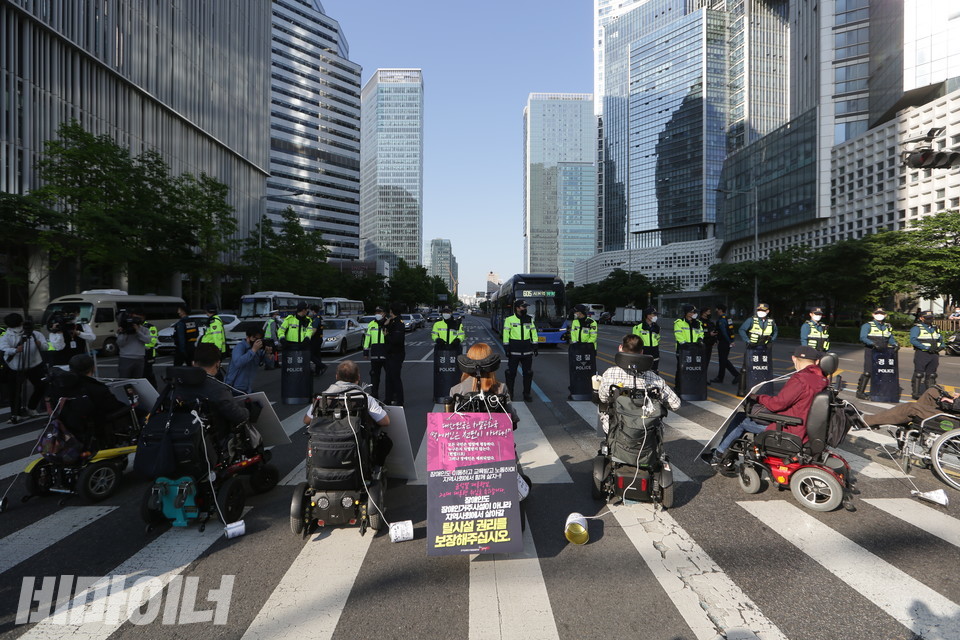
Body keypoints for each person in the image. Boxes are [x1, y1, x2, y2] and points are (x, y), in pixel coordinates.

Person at [702, 345, 828, 466]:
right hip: (806, 425)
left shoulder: (800, 379)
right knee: (744, 415)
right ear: (816, 362)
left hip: (791, 428)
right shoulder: (821, 379)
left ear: (794, 359)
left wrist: (758, 397)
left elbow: (777, 405)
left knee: (741, 420)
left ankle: (718, 456)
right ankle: (724, 453)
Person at [597, 334, 681, 433]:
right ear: (641, 352)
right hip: (648, 430)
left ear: (620, 348)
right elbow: (676, 404)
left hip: (616, 428)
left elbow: (603, 398)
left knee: (602, 407)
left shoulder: (610, 373)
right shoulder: (654, 379)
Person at [302, 359, 390, 427]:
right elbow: (385, 421)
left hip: (326, 444)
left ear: (337, 376)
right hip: (353, 445)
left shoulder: (323, 396)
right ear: (358, 377)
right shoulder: (364, 397)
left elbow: (307, 420)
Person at [449, 342, 519, 423]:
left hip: (466, 432)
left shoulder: (455, 390)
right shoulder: (501, 388)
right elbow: (512, 417)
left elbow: (449, 419)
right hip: (493, 433)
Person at [0, 313, 47, 424]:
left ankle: (31, 407)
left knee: (42, 386)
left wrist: (39, 343)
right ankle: (16, 414)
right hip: (15, 367)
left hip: (34, 365)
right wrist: (15, 350)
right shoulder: (6, 336)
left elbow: (45, 347)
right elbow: (3, 347)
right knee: (15, 391)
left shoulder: (35, 334)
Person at [190, 343, 250, 428]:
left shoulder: (178, 384)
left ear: (194, 363)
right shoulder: (217, 388)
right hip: (210, 434)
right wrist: (247, 410)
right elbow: (238, 416)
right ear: (218, 364)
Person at [858, 384, 958, 429]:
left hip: (954, 419)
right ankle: (912, 425)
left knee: (911, 407)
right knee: (932, 391)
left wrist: (954, 403)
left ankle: (868, 421)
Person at [856, 307, 898, 400]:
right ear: (873, 315)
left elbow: (890, 337)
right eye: (877, 313)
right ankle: (860, 392)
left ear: (885, 315)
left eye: (882, 313)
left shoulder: (887, 326)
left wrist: (895, 344)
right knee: (868, 372)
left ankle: (879, 391)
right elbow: (863, 337)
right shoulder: (867, 325)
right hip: (871, 350)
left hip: (884, 351)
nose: (880, 315)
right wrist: (873, 344)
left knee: (881, 372)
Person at [502, 299, 538, 402]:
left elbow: (533, 332)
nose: (525, 308)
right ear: (517, 308)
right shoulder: (509, 320)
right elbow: (506, 334)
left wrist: (535, 345)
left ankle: (527, 394)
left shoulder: (529, 319)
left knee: (528, 373)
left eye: (526, 307)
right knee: (511, 374)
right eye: (523, 307)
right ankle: (510, 394)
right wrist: (506, 347)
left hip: (527, 351)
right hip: (514, 351)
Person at [909, 310, 943, 400]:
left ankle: (930, 393)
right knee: (919, 374)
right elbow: (913, 340)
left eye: (931, 318)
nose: (930, 320)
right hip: (922, 353)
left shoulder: (935, 328)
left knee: (932, 375)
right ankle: (916, 393)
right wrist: (926, 348)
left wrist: (940, 347)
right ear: (921, 318)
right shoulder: (917, 328)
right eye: (927, 318)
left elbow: (940, 340)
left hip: (934, 354)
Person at [673, 304, 704, 394]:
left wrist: (700, 339)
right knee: (681, 368)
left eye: (695, 312)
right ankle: (678, 387)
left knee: (693, 368)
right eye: (692, 312)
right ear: (687, 313)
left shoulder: (697, 323)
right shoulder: (679, 323)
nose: (694, 314)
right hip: (683, 349)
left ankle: (691, 385)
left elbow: (700, 333)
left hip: (695, 349)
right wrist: (685, 345)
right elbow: (679, 336)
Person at [224, 328, 264, 394]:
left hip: (247, 388)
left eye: (258, 339)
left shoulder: (257, 350)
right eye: (254, 338)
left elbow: (268, 364)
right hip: (234, 387)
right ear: (248, 337)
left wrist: (268, 355)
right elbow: (238, 363)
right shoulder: (240, 347)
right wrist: (253, 350)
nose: (256, 341)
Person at [116, 309, 151, 379]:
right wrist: (123, 333)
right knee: (124, 380)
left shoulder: (144, 329)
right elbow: (120, 343)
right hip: (126, 357)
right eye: (134, 318)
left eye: (138, 318)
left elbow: (148, 340)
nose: (136, 320)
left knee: (137, 381)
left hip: (139, 358)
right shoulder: (125, 329)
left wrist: (138, 331)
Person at [362, 306, 388, 399]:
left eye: (379, 312)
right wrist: (365, 352)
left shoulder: (388, 323)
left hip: (386, 353)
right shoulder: (371, 324)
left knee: (389, 376)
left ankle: (390, 396)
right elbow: (367, 338)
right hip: (375, 353)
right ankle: (374, 394)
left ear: (384, 313)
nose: (377, 314)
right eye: (376, 312)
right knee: (374, 375)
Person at [710, 304, 740, 385]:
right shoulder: (728, 318)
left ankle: (737, 375)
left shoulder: (721, 320)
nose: (716, 310)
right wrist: (731, 340)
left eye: (717, 309)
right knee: (723, 360)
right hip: (727, 341)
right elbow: (731, 330)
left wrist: (729, 341)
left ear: (720, 310)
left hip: (724, 342)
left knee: (723, 360)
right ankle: (720, 377)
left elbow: (724, 332)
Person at [384, 303, 406, 406]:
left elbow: (396, 340)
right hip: (390, 353)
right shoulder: (393, 321)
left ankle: (400, 400)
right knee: (389, 378)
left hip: (396, 354)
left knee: (395, 378)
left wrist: (387, 335)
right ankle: (388, 399)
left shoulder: (398, 323)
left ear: (392, 312)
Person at [632, 307, 661, 373]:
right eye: (654, 315)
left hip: (655, 350)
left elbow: (658, 338)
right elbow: (635, 341)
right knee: (642, 370)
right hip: (643, 350)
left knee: (654, 371)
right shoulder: (638, 327)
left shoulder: (657, 327)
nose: (655, 317)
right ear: (648, 315)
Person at [140, 310, 159, 388]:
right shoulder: (134, 327)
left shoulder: (150, 327)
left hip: (149, 353)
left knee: (148, 372)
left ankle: (154, 388)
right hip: (139, 353)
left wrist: (142, 345)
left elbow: (153, 341)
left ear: (143, 317)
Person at [698, 307, 718, 376]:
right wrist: (709, 334)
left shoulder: (710, 322)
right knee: (701, 363)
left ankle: (703, 378)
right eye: (708, 312)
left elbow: (714, 330)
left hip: (709, 345)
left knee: (706, 363)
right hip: (702, 345)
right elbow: (699, 333)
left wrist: (715, 340)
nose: (710, 314)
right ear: (704, 313)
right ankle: (700, 378)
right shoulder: (699, 322)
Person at [307, 305, 326, 377]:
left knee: (310, 355)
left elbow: (314, 330)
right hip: (319, 339)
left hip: (315, 339)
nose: (309, 312)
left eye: (310, 311)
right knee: (317, 355)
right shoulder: (319, 317)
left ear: (313, 311)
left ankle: (322, 366)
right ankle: (318, 371)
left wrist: (307, 337)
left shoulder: (316, 319)